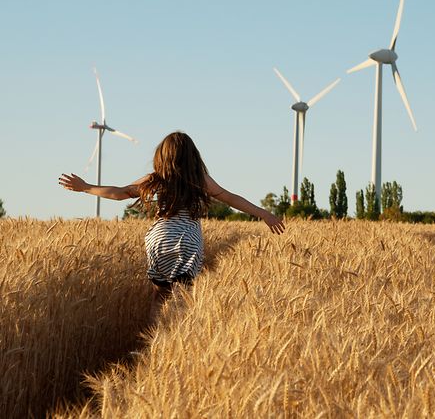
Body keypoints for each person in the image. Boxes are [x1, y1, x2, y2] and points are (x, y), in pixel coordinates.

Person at [59, 131, 284, 317]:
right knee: (182, 295)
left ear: (162, 155)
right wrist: (264, 214)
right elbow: (231, 198)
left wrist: (85, 187)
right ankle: (175, 339)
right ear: (193, 156)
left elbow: (119, 193)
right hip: (186, 239)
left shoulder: (156, 178)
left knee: (160, 294)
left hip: (159, 239)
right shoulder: (200, 179)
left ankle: (154, 339)